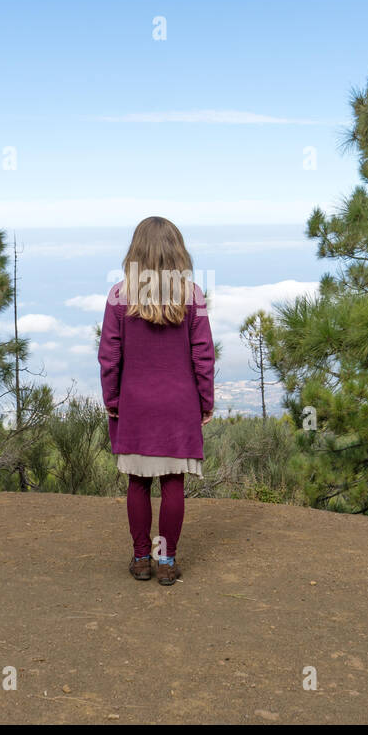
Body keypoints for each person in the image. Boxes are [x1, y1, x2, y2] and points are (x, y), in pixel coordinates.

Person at [98, 216, 215, 586]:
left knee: (137, 482)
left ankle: (140, 559)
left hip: (135, 404)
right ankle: (166, 561)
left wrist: (112, 397)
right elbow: (203, 355)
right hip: (179, 406)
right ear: (178, 252)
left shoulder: (119, 296)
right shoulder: (192, 295)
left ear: (136, 252)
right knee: (173, 484)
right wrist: (205, 401)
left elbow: (109, 353)